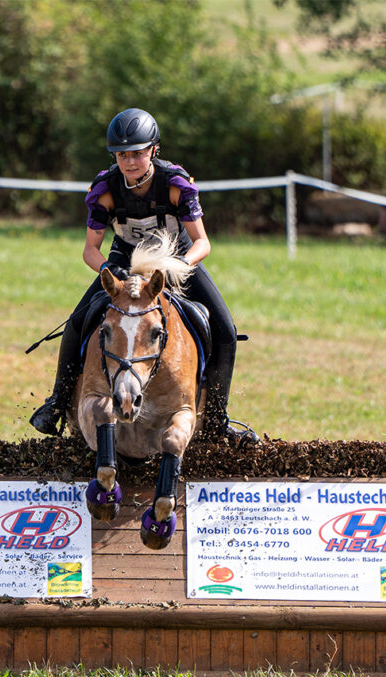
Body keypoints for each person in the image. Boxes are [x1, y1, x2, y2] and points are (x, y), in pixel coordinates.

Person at [29, 107, 257, 445]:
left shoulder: (176, 184)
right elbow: (91, 250)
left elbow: (202, 243)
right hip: (124, 261)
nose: (130, 161)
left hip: (175, 260)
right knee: (79, 321)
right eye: (122, 155)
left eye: (137, 153)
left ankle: (217, 419)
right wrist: (109, 273)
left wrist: (172, 266)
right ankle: (58, 403)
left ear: (153, 150)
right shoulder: (104, 190)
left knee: (224, 328)